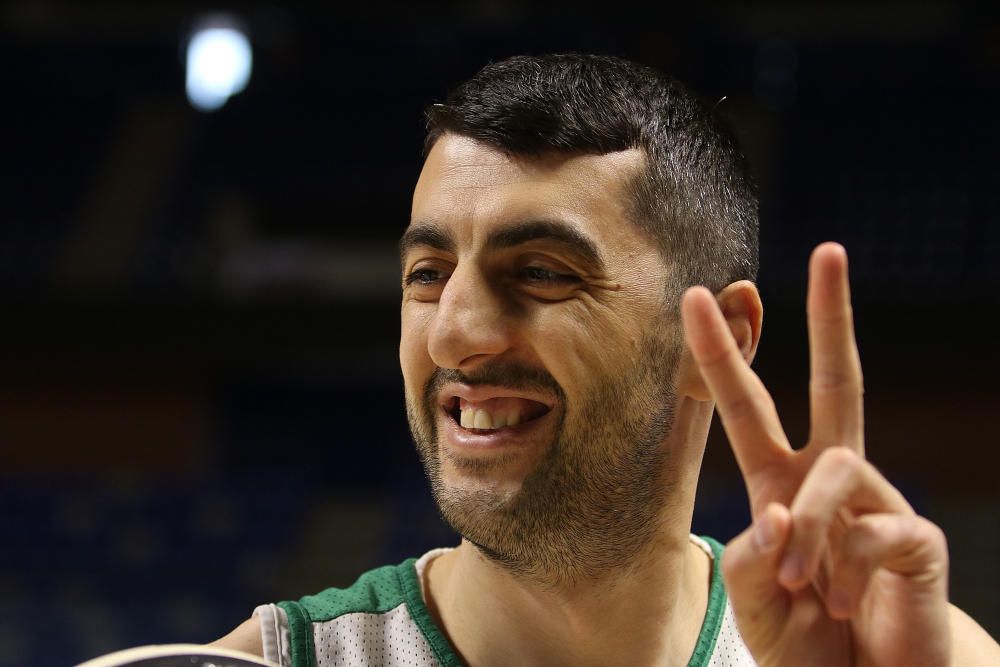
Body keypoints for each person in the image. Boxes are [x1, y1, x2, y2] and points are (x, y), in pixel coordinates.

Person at [211, 54, 1000, 666]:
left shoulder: (892, 653)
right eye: (429, 274)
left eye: (543, 272)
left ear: (717, 338)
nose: (455, 333)